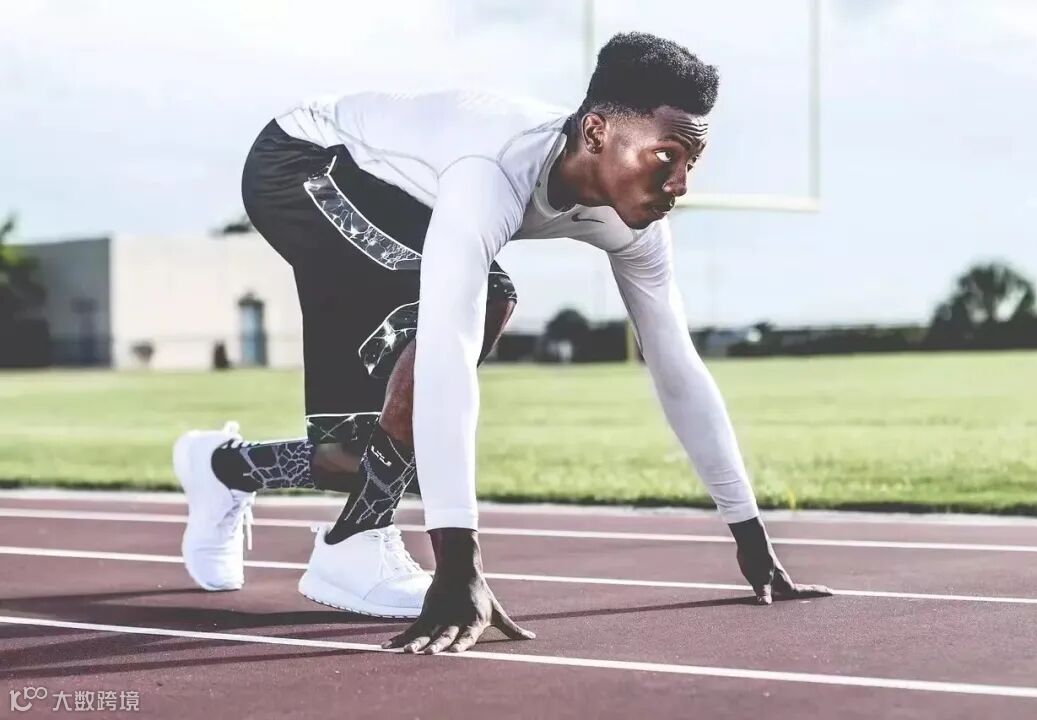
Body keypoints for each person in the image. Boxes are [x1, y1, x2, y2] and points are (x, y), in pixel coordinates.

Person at [172, 31, 832, 656]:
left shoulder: (636, 226)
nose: (681, 183)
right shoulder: (491, 170)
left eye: (692, 162)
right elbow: (448, 355)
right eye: (667, 156)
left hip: (396, 195)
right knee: (484, 301)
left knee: (356, 455)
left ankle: (225, 469)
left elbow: (677, 367)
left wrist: (751, 539)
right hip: (301, 163)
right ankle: (355, 541)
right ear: (595, 133)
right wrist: (458, 567)